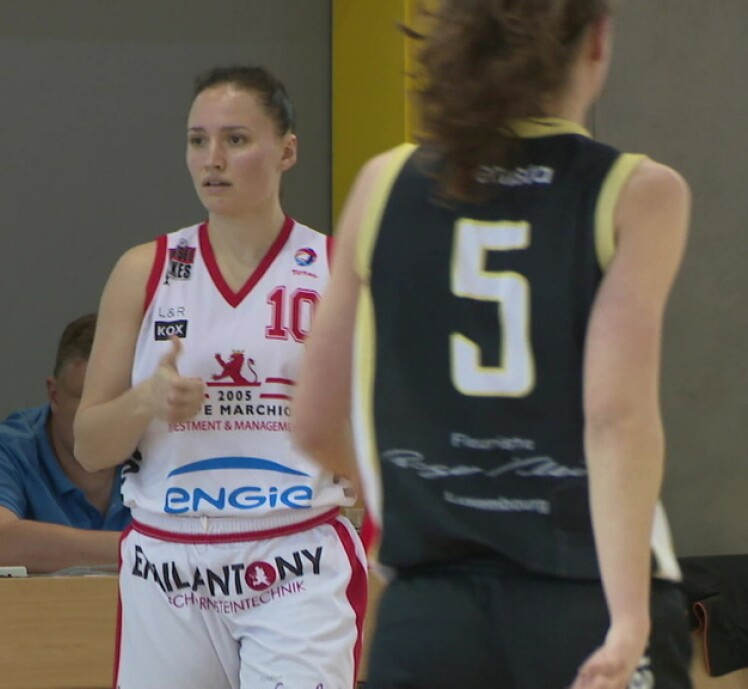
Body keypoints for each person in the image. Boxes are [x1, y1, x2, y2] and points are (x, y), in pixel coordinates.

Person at [293, 2, 692, 688]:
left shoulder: (384, 183)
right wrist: (629, 619)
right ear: (597, 41)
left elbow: (312, 421)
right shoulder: (638, 191)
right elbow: (615, 417)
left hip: (429, 614)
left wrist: (408, 503)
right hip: (588, 594)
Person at [75, 66, 368, 689]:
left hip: (293, 556)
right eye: (197, 140)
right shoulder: (144, 270)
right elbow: (90, 447)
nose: (212, 159)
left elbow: (386, 435)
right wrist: (146, 400)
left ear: (287, 150)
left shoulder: (336, 269)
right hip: (166, 565)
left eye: (236, 139)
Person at [0, 313, 130, 572]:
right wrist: (157, 550)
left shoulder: (167, 452)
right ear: (55, 395)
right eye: (89, 400)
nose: (108, 417)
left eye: (126, 400)